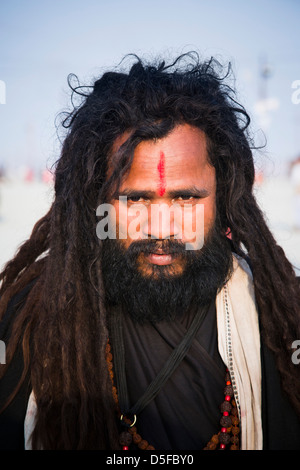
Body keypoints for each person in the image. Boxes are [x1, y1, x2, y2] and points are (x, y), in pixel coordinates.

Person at [0, 53, 300, 451]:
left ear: (224, 198)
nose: (161, 227)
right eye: (135, 199)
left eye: (186, 198)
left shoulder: (281, 320)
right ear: (98, 203)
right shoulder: (31, 322)